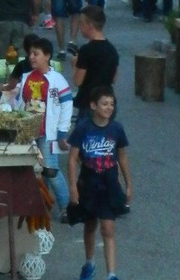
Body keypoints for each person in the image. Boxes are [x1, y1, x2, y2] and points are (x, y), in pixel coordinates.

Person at [67, 85, 131, 280]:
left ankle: (112, 274)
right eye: (104, 104)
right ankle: (89, 263)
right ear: (93, 105)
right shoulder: (83, 128)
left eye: (111, 104)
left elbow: (122, 157)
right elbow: (71, 159)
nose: (109, 107)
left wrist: (128, 184)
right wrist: (72, 189)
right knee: (90, 225)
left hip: (109, 183)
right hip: (88, 182)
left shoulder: (116, 128)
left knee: (108, 228)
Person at [16, 38, 73, 221]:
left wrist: (63, 131)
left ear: (47, 56)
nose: (31, 57)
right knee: (34, 172)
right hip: (29, 133)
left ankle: (67, 207)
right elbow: (20, 104)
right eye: (30, 53)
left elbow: (67, 105)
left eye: (36, 53)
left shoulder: (57, 80)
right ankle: (42, 206)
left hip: (49, 134)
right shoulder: (26, 77)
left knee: (51, 170)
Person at [71, 6, 119, 116]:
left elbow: (77, 81)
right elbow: (114, 78)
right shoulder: (112, 49)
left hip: (89, 101)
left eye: (81, 24)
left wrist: (74, 65)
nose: (79, 28)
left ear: (89, 25)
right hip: (107, 100)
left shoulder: (86, 50)